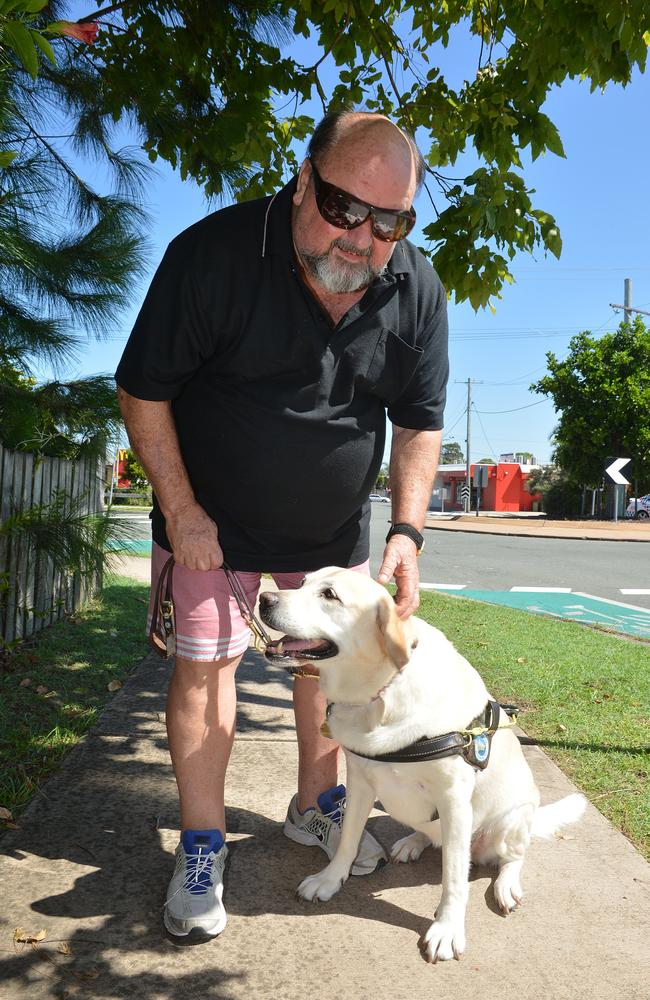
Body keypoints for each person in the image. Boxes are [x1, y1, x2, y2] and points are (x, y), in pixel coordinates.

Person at [115, 110, 449, 941]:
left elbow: (418, 422)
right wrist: (184, 513)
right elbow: (143, 391)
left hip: (331, 531)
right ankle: (200, 846)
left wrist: (405, 531)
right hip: (210, 524)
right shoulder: (213, 256)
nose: (364, 239)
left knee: (326, 673)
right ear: (303, 183)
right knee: (206, 669)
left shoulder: (416, 288)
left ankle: (316, 804)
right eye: (344, 210)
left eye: (389, 222)